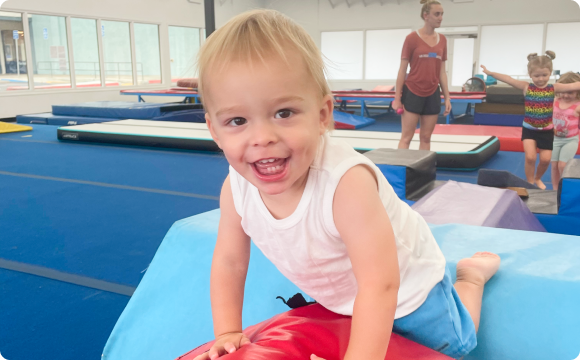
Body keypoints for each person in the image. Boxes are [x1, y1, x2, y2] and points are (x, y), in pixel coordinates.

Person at [194, 9, 500, 360]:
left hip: (407, 291)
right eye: (237, 120)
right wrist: (228, 331)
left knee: (454, 346)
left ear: (323, 115)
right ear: (214, 131)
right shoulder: (236, 190)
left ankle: (470, 279)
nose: (262, 138)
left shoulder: (344, 184)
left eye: (284, 113)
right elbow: (231, 261)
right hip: (344, 296)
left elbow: (381, 283)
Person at [482, 52, 580, 189]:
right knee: (531, 157)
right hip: (529, 129)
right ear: (530, 74)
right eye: (537, 76)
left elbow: (574, 85)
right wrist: (490, 73)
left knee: (545, 160)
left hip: (546, 131)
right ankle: (530, 182)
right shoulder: (526, 87)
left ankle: (537, 177)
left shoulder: (553, 88)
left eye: (544, 75)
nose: (540, 79)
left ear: (550, 73)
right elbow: (508, 79)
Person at [392, 0, 452, 151]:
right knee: (407, 137)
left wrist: (447, 97)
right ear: (426, 16)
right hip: (412, 91)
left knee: (426, 138)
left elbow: (441, 72)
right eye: (436, 14)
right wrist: (397, 98)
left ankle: (422, 173)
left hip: (432, 93)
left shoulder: (443, 40)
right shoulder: (412, 38)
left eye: (442, 14)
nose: (440, 17)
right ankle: (402, 171)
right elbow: (402, 70)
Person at [551, 72, 580, 191]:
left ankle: (566, 189)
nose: (566, 95)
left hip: (570, 140)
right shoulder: (555, 101)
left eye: (570, 92)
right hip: (554, 139)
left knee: (563, 165)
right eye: (563, 91)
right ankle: (555, 189)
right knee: (553, 165)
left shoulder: (577, 105)